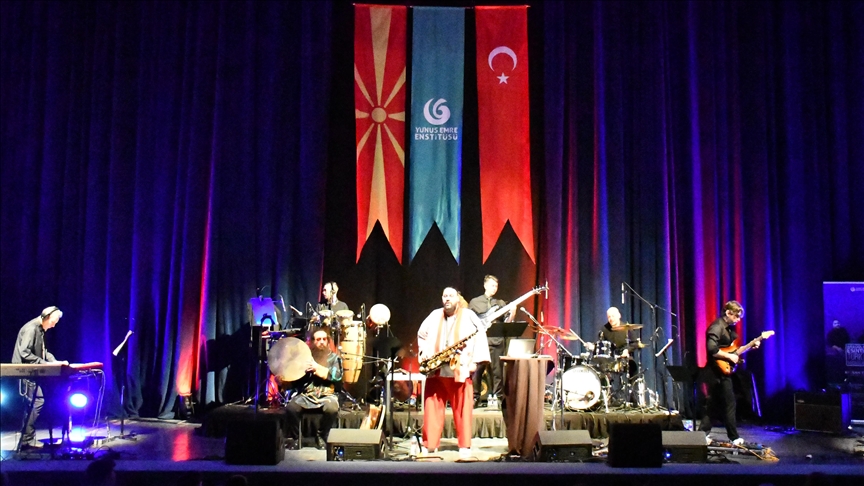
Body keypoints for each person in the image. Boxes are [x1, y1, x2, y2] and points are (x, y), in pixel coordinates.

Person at [417, 287, 490, 458]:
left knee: (463, 410)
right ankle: (430, 444)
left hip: (460, 370)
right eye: (445, 296)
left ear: (458, 298)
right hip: (437, 371)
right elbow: (421, 335)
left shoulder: (469, 316)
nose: (447, 298)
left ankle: (464, 445)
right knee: (432, 408)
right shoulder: (434, 315)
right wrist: (424, 353)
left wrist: (475, 362)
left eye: (451, 296)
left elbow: (480, 337)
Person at [11, 306, 68, 450]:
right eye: (53, 322)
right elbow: (25, 353)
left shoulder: (40, 329)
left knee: (34, 403)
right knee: (36, 402)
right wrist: (45, 364)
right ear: (46, 317)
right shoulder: (32, 329)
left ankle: (26, 439)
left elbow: (43, 351)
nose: (54, 325)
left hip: (32, 371)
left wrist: (54, 362)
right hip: (25, 372)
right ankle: (27, 440)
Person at [699, 300, 753, 446]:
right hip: (714, 372)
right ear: (728, 313)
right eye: (736, 316)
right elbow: (712, 349)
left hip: (722, 372)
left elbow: (732, 351)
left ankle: (702, 434)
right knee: (726, 404)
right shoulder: (717, 327)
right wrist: (729, 357)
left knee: (716, 405)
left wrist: (750, 347)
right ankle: (733, 437)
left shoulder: (728, 329)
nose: (738, 320)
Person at [285, 328, 343, 449]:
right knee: (291, 408)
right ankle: (296, 438)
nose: (321, 342)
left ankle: (321, 436)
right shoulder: (305, 359)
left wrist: (317, 368)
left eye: (324, 339)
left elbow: (337, 376)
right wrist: (284, 379)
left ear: (328, 342)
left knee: (332, 408)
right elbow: (296, 381)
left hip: (327, 395)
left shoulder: (334, 358)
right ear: (312, 342)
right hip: (307, 395)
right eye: (318, 339)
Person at [468, 275, 513, 407]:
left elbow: (507, 323)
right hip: (480, 341)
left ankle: (498, 397)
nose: (495, 288)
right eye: (492, 285)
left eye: (496, 286)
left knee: (497, 372)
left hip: (496, 341)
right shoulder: (475, 302)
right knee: (477, 371)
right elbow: (468, 321)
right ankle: (475, 397)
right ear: (485, 285)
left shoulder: (500, 303)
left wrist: (513, 312)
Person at [598, 306, 638, 378]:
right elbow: (600, 344)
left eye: (613, 316)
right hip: (610, 359)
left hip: (624, 357)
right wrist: (593, 346)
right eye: (609, 317)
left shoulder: (627, 328)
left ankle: (633, 383)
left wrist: (627, 350)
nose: (611, 319)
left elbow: (635, 343)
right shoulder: (604, 329)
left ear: (619, 315)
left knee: (633, 366)